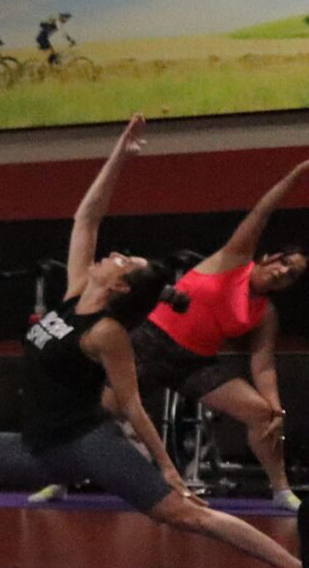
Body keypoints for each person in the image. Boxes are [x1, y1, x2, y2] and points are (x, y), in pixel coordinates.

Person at [0, 118, 305, 568]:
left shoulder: (106, 332)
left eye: (122, 260)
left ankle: (293, 566)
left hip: (87, 447)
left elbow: (131, 405)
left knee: (183, 514)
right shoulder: (75, 295)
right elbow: (86, 218)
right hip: (40, 445)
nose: (113, 254)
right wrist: (119, 155)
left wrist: (168, 469)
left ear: (117, 285)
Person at [124, 155, 306, 510]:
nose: (285, 272)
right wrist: (296, 174)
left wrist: (276, 409)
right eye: (284, 262)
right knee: (94, 410)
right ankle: (58, 480)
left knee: (263, 416)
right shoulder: (234, 259)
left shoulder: (266, 313)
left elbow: (263, 365)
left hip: (195, 364)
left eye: (294, 274)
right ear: (268, 257)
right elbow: (261, 213)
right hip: (150, 344)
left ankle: (282, 490)